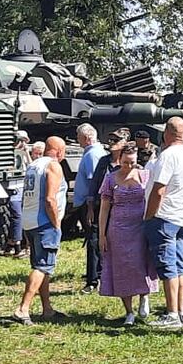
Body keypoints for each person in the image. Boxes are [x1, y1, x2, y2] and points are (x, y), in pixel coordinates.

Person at [142, 118, 183, 329]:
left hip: (164, 217)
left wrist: (149, 214)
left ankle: (172, 313)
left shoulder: (168, 155)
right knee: (179, 264)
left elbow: (158, 189)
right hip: (182, 216)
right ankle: (181, 312)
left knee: (168, 266)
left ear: (167, 133)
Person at [97, 142, 155, 325]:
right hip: (118, 228)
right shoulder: (110, 179)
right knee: (121, 267)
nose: (129, 166)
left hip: (140, 227)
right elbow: (104, 208)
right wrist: (102, 234)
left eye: (132, 162)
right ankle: (128, 311)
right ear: (119, 160)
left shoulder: (145, 175)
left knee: (141, 262)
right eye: (125, 163)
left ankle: (144, 295)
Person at [12, 136, 67, 325]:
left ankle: (47, 308)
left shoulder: (33, 165)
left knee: (41, 266)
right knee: (43, 266)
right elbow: (50, 199)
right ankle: (23, 308)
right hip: (44, 222)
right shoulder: (53, 166)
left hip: (30, 220)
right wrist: (56, 224)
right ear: (59, 151)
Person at [72, 123, 108, 292]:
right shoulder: (92, 153)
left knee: (93, 240)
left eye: (79, 137)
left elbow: (95, 182)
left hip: (90, 206)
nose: (77, 140)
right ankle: (96, 274)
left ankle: (94, 278)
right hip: (88, 204)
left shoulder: (93, 155)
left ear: (86, 138)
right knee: (93, 239)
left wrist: (91, 207)